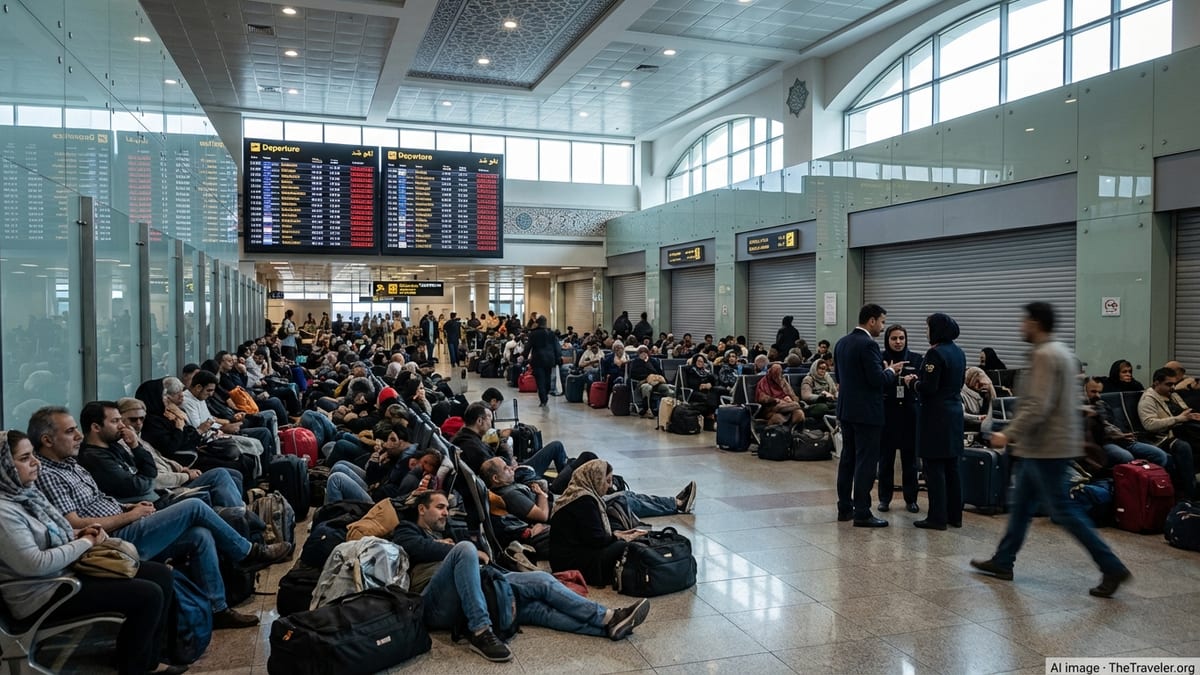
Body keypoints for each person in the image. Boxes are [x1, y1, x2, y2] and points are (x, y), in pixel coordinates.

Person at [28, 407, 292, 627]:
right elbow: (75, 523)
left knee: (200, 535)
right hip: (110, 543)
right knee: (193, 508)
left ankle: (217, 608)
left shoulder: (72, 464)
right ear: (47, 440)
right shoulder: (50, 475)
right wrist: (130, 515)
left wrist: (125, 509)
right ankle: (246, 552)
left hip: (128, 519)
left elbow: (101, 501)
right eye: (70, 431)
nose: (77, 436)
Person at [971, 302, 1131, 597]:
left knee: (1064, 510)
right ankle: (1003, 560)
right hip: (1046, 446)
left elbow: (1036, 405)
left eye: (1024, 321)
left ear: (1035, 323)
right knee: (1021, 505)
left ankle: (1111, 566)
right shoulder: (1063, 352)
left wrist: (1007, 434)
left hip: (1048, 448)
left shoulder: (1045, 355)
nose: (1021, 327)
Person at [0, 430, 185, 675]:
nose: (35, 462)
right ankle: (135, 668)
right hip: (45, 592)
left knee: (161, 575)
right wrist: (85, 542)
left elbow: (49, 537)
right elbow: (34, 563)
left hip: (63, 574)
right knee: (147, 594)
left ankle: (149, 660)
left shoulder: (26, 495)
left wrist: (79, 534)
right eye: (24, 458)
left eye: (33, 455)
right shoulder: (5, 512)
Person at [392, 491, 652, 663]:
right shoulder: (406, 530)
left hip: (476, 592)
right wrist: (454, 549)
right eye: (439, 507)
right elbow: (420, 548)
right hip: (434, 603)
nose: (446, 512)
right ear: (421, 509)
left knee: (540, 588)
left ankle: (607, 622)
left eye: (447, 508)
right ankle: (481, 631)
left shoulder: (449, 530)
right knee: (466, 549)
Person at [833, 304, 906, 527]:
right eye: (882, 322)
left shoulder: (841, 343)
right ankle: (863, 511)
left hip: (846, 410)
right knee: (865, 462)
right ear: (872, 321)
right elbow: (877, 381)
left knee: (848, 459)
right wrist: (891, 371)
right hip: (867, 413)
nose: (883, 327)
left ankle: (845, 507)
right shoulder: (868, 345)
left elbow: (839, 376)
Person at [116, 397, 245, 507]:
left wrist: (182, 469)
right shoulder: (125, 445)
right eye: (133, 419)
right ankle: (238, 516)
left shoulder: (138, 437)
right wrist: (186, 476)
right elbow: (153, 478)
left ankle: (238, 514)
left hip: (177, 474)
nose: (138, 423)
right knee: (221, 473)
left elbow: (161, 458)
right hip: (169, 487)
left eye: (142, 419)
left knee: (235, 475)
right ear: (119, 420)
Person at [549, 460, 648, 586]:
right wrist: (618, 537)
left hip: (564, 558)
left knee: (618, 535)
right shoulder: (585, 501)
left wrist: (616, 534)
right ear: (595, 479)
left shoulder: (575, 493)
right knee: (624, 546)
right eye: (607, 481)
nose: (610, 486)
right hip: (571, 564)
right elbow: (596, 540)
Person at [914, 313, 965, 530]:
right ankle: (955, 515)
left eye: (927, 328)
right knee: (952, 468)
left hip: (935, 416)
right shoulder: (959, 352)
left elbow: (929, 387)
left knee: (934, 468)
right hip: (954, 413)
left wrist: (913, 383)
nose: (926, 332)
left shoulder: (935, 354)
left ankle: (937, 517)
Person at [1135, 368, 1198, 500]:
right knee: (1183, 447)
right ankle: (1190, 493)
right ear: (1156, 383)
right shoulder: (1148, 399)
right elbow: (1149, 425)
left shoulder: (1172, 395)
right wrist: (1178, 419)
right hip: (1164, 437)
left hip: (1182, 430)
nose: (1173, 387)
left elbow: (1184, 411)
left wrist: (1191, 416)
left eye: (1174, 384)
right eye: (1169, 384)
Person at [879, 324, 921, 514]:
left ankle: (911, 499)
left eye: (901, 338)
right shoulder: (880, 359)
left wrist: (913, 381)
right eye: (894, 338)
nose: (898, 342)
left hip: (909, 415)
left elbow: (923, 385)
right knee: (886, 460)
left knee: (910, 461)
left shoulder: (916, 359)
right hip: (887, 414)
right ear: (887, 340)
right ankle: (884, 499)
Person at [524, 316, 562, 408]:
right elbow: (557, 347)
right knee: (547, 379)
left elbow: (528, 346)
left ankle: (543, 400)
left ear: (537, 323)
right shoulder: (551, 334)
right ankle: (546, 393)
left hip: (538, 359)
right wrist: (558, 358)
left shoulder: (533, 334)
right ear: (545, 323)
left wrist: (524, 356)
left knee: (540, 380)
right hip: (549, 360)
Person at [961, 367, 997, 431]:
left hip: (983, 425)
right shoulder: (961, 393)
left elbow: (994, 410)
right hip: (968, 426)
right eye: (977, 383)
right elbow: (961, 415)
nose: (981, 387)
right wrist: (978, 418)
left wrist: (990, 389)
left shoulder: (985, 392)